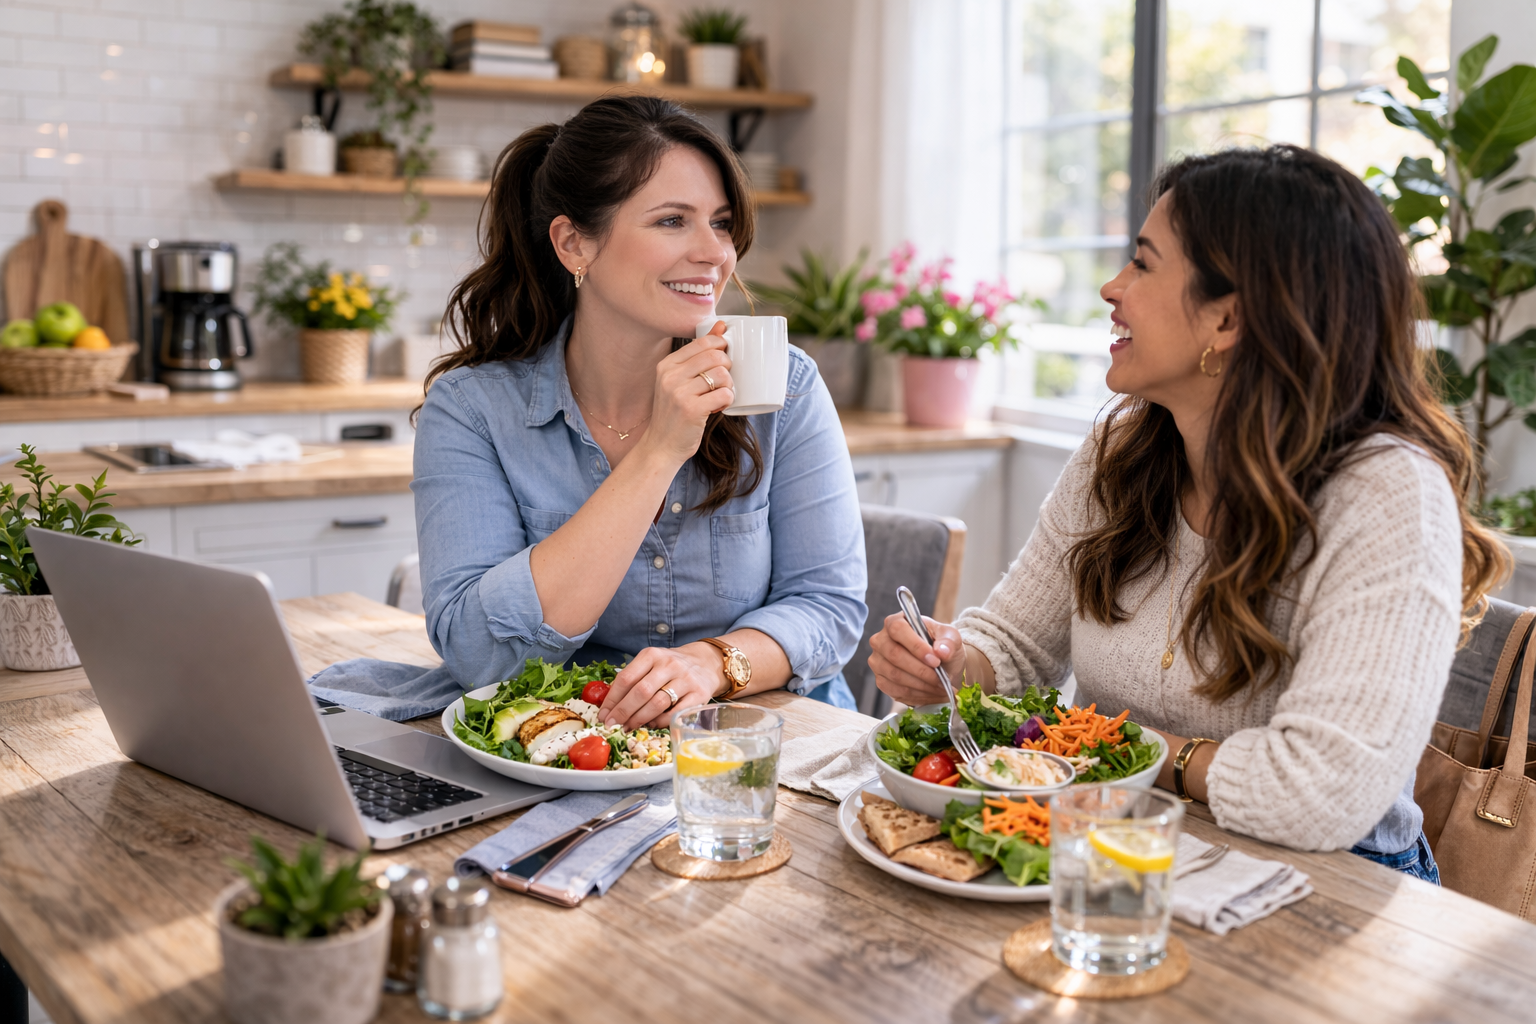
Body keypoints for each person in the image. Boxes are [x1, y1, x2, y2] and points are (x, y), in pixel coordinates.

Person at [868, 145, 1509, 881]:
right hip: (1114, 849)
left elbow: (1322, 795)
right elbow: (1013, 642)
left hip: (1329, 884)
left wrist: (1114, 749)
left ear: (1228, 318)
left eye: (1143, 263)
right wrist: (954, 663)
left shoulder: (1387, 494)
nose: (1112, 287)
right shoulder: (1122, 448)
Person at [413, 96, 867, 728]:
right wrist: (658, 451)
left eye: (722, 222)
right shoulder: (473, 410)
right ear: (574, 243)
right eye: (672, 221)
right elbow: (478, 655)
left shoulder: (782, 386)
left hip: (771, 742)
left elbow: (828, 607)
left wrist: (711, 664)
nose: (715, 252)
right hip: (571, 747)